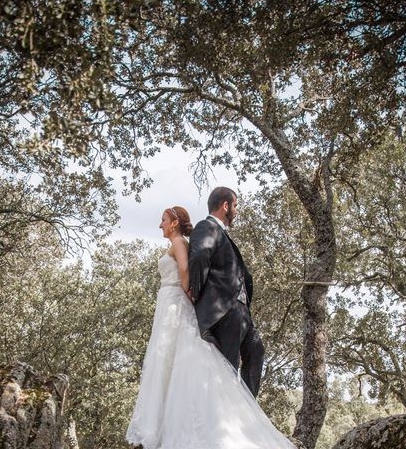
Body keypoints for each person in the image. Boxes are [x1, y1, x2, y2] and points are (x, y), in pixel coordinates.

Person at [126, 204, 295, 449]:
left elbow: (186, 269)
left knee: (183, 359)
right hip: (168, 303)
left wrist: (187, 292)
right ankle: (163, 422)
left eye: (163, 220)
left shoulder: (179, 243)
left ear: (174, 222)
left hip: (176, 301)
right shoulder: (176, 243)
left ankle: (227, 420)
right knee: (165, 360)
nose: (160, 224)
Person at [189, 186, 264, 397]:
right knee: (228, 367)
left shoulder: (220, 232)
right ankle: (227, 416)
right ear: (225, 206)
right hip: (225, 311)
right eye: (236, 206)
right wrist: (197, 294)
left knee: (256, 350)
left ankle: (246, 408)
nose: (236, 211)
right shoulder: (206, 226)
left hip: (241, 312)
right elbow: (199, 257)